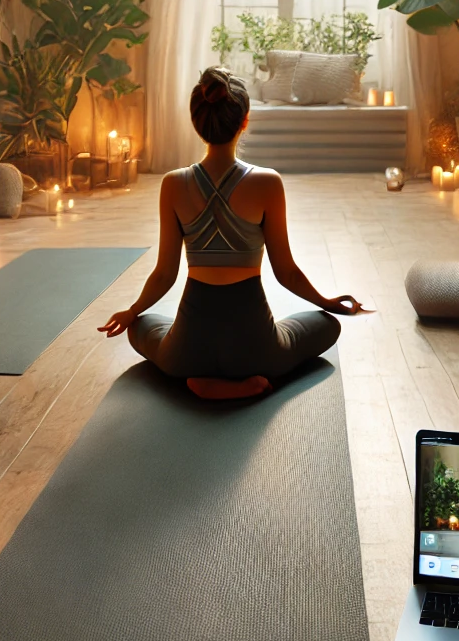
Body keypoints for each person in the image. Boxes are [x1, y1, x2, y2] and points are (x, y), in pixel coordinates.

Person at [98, 66, 367, 401]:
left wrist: (131, 311)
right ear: (245, 121)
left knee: (140, 325)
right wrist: (327, 303)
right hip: (258, 352)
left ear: (197, 124)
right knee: (327, 325)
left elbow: (165, 273)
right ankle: (244, 382)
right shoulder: (268, 183)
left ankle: (203, 381)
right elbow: (287, 273)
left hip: (186, 355)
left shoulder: (172, 184)